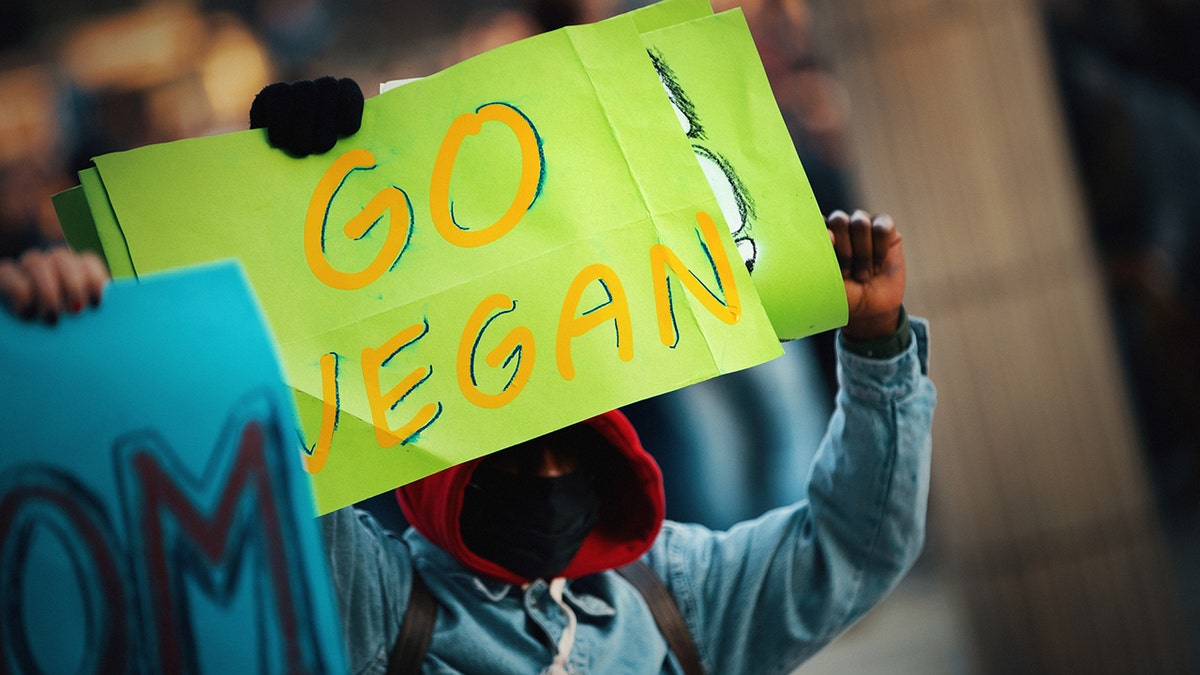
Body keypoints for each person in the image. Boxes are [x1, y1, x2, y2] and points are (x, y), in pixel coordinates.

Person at [249, 78, 934, 673]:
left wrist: (879, 348)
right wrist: (284, 192)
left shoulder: (677, 595)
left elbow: (854, 546)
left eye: (571, 449)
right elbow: (269, 461)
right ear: (448, 466)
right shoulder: (377, 609)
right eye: (514, 460)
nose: (549, 481)